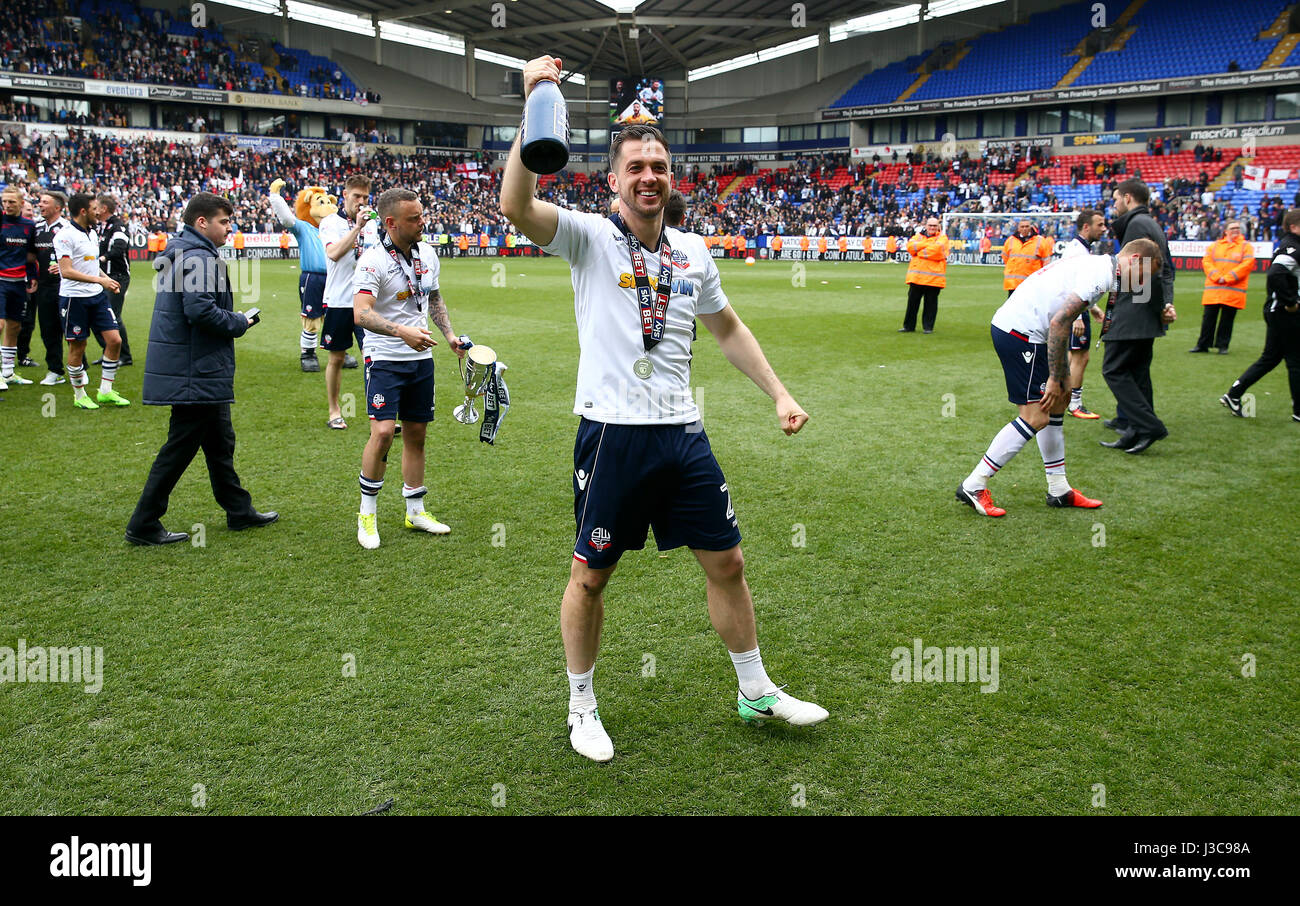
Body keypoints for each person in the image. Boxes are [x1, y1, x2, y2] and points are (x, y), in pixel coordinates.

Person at [501, 56, 827, 764]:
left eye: (659, 165)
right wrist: (535, 102)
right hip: (613, 434)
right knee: (591, 575)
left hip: (683, 435)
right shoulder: (587, 237)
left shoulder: (691, 251)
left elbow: (730, 330)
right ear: (613, 179)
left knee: (729, 563)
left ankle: (755, 689)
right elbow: (517, 208)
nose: (649, 176)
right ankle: (581, 707)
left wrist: (779, 393)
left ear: (670, 176)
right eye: (636, 166)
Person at [958, 240, 1159, 517]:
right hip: (1021, 333)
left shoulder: (1101, 266)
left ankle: (1059, 489)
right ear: (1136, 259)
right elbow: (1059, 322)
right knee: (1037, 416)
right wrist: (1056, 375)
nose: (1143, 281)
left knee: (1058, 404)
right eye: (1145, 273)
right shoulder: (1101, 273)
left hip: (1029, 331)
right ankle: (974, 484)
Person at [125, 192, 277, 546]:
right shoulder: (199, 259)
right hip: (195, 370)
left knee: (220, 441)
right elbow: (200, 312)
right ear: (201, 222)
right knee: (180, 447)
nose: (230, 228)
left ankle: (239, 510)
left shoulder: (183, 253)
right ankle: (143, 521)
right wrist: (240, 321)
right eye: (224, 222)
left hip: (195, 366)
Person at [352, 188, 466, 549]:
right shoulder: (372, 260)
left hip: (421, 358)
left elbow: (432, 296)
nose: (422, 222)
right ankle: (367, 515)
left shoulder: (427, 254)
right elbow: (362, 313)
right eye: (414, 218)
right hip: (384, 357)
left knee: (417, 435)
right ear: (391, 223)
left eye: (421, 215)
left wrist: (448, 335)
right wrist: (402, 332)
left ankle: (415, 510)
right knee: (384, 432)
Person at [1100, 179, 1178, 455]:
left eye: (1116, 198)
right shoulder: (1147, 223)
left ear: (1128, 198)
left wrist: (1151, 307)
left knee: (1115, 370)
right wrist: (1161, 306)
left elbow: (1150, 272)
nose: (1114, 203)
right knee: (1137, 373)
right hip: (1140, 315)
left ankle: (1148, 425)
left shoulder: (1138, 225)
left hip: (1132, 317)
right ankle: (1134, 429)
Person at [1220, 209, 1300, 423]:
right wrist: (1291, 302)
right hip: (1283, 312)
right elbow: (1276, 273)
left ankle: (1234, 394)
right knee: (1295, 359)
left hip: (1278, 311)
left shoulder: (1290, 245)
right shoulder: (1292, 246)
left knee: (1271, 358)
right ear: (1293, 226)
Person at [54, 193, 128, 409]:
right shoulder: (64, 236)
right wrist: (100, 280)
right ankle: (80, 396)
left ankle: (105, 391)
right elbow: (66, 271)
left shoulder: (92, 233)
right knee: (78, 346)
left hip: (96, 295)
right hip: (74, 299)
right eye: (95, 208)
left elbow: (91, 265)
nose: (99, 212)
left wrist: (106, 279)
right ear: (84, 211)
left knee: (114, 340)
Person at [319, 174, 379, 429]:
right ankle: (334, 410)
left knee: (373, 356)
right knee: (337, 359)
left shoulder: (373, 223)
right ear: (344, 195)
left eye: (365, 197)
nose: (361, 201)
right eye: (357, 196)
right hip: (339, 301)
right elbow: (333, 254)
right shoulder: (330, 223)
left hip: (366, 302)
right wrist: (356, 228)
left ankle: (378, 412)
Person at [1062, 209, 1108, 419]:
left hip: (1076, 309)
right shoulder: (1077, 252)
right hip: (1074, 311)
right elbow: (1071, 284)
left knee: (1073, 355)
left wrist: (1094, 308)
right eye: (1100, 224)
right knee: (1081, 357)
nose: (1104, 228)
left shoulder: (1079, 248)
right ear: (1086, 227)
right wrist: (1078, 317)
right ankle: (1075, 403)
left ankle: (1063, 396)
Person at [1192, 221, 1254, 354]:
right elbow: (1207, 262)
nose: (1236, 230)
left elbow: (1247, 265)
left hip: (1232, 290)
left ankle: (1222, 346)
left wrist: (1227, 278)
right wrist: (1217, 276)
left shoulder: (1245, 246)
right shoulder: (1215, 246)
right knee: (1208, 319)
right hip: (1214, 289)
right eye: (1232, 228)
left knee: (1227, 320)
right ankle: (1203, 344)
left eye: (1238, 227)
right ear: (1225, 231)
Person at [0, 185, 38, 388]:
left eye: (11, 202)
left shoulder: (28, 225)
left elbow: (31, 255)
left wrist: (32, 275)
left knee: (14, 327)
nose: (7, 205)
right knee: (0, 324)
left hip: (18, 282)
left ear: (21, 203)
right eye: (4, 201)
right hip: (0, 280)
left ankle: (7, 372)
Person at [89, 194, 134, 367]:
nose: (94, 210)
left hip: (117, 277)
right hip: (101, 277)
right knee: (97, 315)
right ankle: (109, 351)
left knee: (113, 316)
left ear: (104, 209)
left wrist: (101, 259)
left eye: (96, 207)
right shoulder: (100, 227)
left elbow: (119, 249)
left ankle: (125, 356)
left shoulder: (118, 227)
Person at [31, 190, 69, 385]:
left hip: (65, 285)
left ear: (57, 207)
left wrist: (63, 267)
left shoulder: (67, 228)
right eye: (40, 202)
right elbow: (30, 255)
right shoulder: (36, 228)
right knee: (47, 328)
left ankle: (80, 366)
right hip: (44, 286)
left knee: (70, 326)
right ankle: (55, 369)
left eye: (44, 202)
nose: (40, 205)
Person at [901, 216, 948, 333]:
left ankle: (928, 327)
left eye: (934, 226)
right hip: (916, 277)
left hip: (933, 278)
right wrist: (926, 246)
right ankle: (908, 326)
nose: (932, 228)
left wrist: (919, 250)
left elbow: (937, 251)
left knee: (930, 304)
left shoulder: (942, 238)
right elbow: (910, 247)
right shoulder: (917, 236)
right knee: (912, 304)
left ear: (938, 227)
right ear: (926, 226)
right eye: (930, 225)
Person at [1001, 219, 1050, 298]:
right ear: (1018, 228)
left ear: (1030, 227)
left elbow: (1046, 263)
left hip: (1031, 284)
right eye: (1022, 227)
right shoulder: (1010, 240)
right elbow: (1005, 258)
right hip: (1013, 284)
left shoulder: (1040, 241)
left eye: (1027, 226)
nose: (1024, 229)